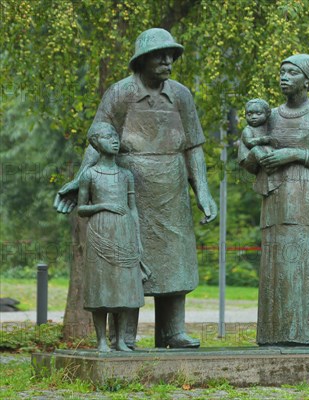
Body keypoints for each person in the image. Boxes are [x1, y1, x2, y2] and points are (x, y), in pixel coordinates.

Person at [55, 28, 217, 348]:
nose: (168, 61)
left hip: (172, 183)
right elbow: (98, 135)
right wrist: (80, 178)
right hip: (130, 183)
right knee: (127, 258)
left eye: (171, 56)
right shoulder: (121, 92)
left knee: (176, 257)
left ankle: (173, 331)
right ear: (142, 60)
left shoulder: (181, 94)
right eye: (160, 55)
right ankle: (123, 337)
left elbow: (194, 146)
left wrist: (204, 192)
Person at [238, 54, 309, 346]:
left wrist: (296, 154)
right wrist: (254, 155)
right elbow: (247, 162)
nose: (283, 77)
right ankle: (277, 333)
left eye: (291, 73)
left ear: (307, 80)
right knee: (279, 265)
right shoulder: (266, 115)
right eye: (281, 72)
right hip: (277, 194)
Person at [77, 122, 145, 352]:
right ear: (96, 143)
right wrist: (103, 205)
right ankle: (101, 341)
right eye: (107, 137)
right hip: (100, 230)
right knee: (101, 286)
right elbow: (81, 209)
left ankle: (121, 340)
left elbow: (133, 208)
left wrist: (137, 238)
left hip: (124, 230)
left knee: (123, 285)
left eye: (115, 136)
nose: (114, 140)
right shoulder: (89, 175)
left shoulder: (126, 175)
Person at [239, 98, 281, 196]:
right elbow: (249, 142)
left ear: (267, 114)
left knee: (267, 149)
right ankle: (269, 166)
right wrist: (262, 139)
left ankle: (272, 163)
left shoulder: (268, 127)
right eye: (249, 114)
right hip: (249, 161)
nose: (253, 117)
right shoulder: (248, 129)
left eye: (258, 114)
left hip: (259, 161)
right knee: (256, 149)